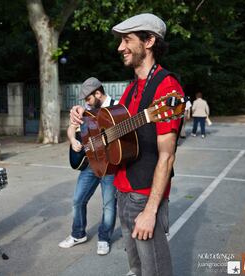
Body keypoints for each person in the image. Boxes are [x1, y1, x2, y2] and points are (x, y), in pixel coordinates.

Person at [70, 13, 184, 275]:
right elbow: (109, 127)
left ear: (149, 41)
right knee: (136, 268)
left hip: (144, 196)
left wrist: (151, 211)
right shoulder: (133, 88)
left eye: (126, 40)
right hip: (123, 190)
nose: (120, 47)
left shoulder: (166, 88)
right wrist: (83, 116)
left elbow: (167, 157)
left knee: (154, 269)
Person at [59, 77, 117, 255]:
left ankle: (104, 238)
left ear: (98, 93)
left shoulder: (117, 108)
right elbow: (71, 128)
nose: (86, 102)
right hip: (90, 164)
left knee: (108, 205)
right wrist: (72, 140)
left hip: (110, 165)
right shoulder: (87, 110)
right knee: (78, 200)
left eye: (88, 98)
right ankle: (78, 234)